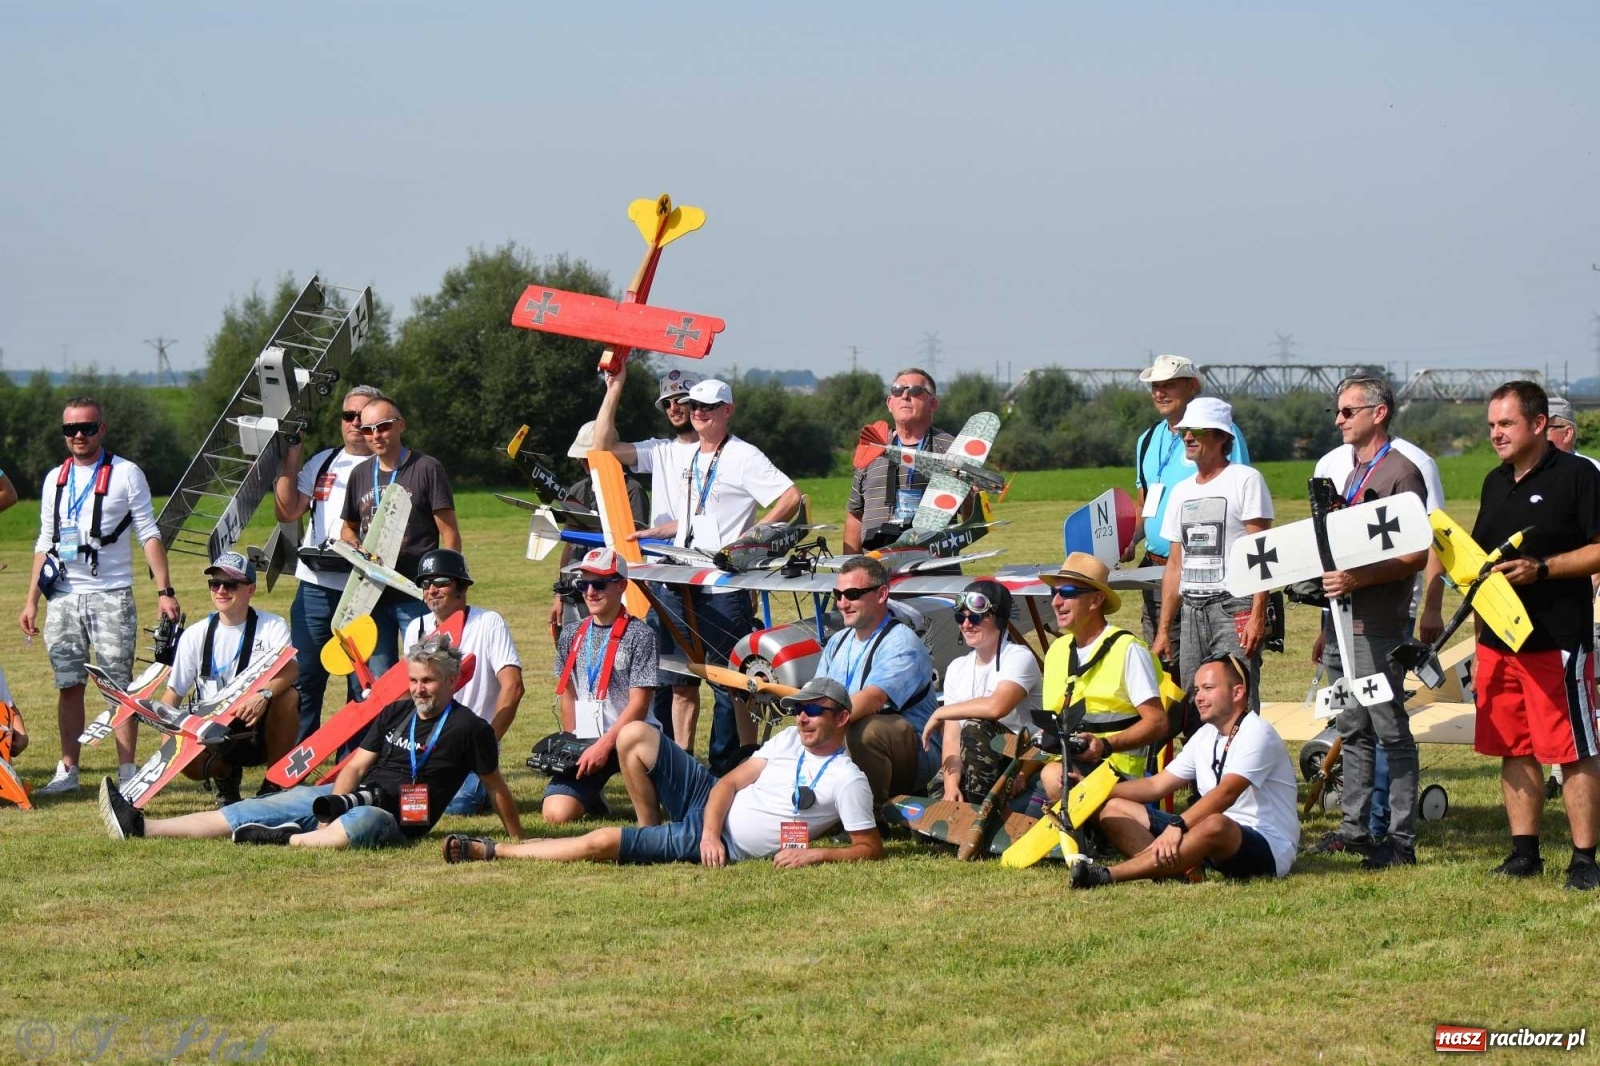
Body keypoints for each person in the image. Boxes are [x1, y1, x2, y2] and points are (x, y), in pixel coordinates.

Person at [99, 634, 523, 849]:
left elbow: (495, 787)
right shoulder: (397, 712)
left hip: (397, 821)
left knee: (362, 824)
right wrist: (332, 806)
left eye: (428, 681)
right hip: (348, 796)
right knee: (260, 805)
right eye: (413, 680)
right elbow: (356, 766)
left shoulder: (470, 729)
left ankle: (285, 840)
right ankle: (143, 826)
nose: (418, 689)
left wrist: (516, 840)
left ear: (451, 681)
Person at [593, 364, 800, 773]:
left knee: (732, 683)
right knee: (675, 679)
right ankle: (679, 766)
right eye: (696, 406)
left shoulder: (742, 454)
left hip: (723, 586)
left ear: (728, 411)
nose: (698, 412)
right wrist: (614, 388)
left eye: (709, 406)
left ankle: (734, 765)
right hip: (677, 581)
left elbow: (790, 495)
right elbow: (602, 448)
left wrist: (751, 539)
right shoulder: (680, 452)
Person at [441, 676, 882, 868]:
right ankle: (648, 831)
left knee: (600, 843)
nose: (801, 718)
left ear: (842, 719)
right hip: (709, 805)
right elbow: (728, 782)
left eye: (813, 712)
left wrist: (815, 853)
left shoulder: (848, 780)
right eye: (797, 710)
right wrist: (709, 830)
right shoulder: (787, 740)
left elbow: (869, 848)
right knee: (634, 733)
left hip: (722, 840)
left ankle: (492, 852)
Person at [1471, 381, 1600, 890]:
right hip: (1499, 640)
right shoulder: (1492, 481)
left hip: (1558, 638)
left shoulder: (1577, 476)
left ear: (1540, 424)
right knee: (1514, 745)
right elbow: (1480, 558)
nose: (1495, 434)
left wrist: (1543, 569)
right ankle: (1524, 853)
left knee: (1571, 748)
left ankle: (1585, 858)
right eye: (1491, 426)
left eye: (1505, 424)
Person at [20, 396, 181, 795]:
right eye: (70, 429)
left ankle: (128, 772)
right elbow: (45, 541)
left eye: (87, 428)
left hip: (111, 593)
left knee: (117, 686)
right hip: (63, 596)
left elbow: (149, 533)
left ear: (101, 430)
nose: (78, 435)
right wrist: (31, 600)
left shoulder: (127, 474)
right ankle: (68, 771)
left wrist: (164, 591)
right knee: (68, 683)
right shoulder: (54, 478)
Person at [1303, 379, 1429, 868]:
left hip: (1377, 625)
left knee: (1389, 729)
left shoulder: (1401, 472)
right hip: (1341, 621)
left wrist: (1357, 579)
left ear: (1379, 413)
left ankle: (1400, 839)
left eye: (1348, 410)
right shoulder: (1350, 470)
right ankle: (1353, 830)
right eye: (1338, 411)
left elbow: (1416, 553)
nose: (1339, 420)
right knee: (1351, 726)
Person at [1069, 655, 1300, 888]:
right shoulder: (1205, 734)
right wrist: (1094, 792)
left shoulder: (1257, 732)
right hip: (1206, 837)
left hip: (1267, 845)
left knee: (1215, 823)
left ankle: (1105, 875)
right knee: (1114, 808)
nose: (1199, 697)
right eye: (1197, 689)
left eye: (1208, 688)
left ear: (1237, 692)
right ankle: (1172, 869)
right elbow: (1155, 785)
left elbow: (1226, 794)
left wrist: (1178, 825)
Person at [274, 384, 383, 741]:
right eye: (348, 415)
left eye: (362, 417)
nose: (354, 423)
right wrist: (292, 455)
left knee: (363, 688)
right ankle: (296, 768)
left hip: (365, 592)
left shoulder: (388, 465)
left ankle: (349, 772)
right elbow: (287, 511)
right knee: (304, 681)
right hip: (315, 588)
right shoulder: (322, 462)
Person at [1129, 355, 1250, 670]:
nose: (1159, 392)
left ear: (1192, 386)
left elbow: (1238, 500)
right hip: (1155, 569)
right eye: (1155, 386)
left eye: (1168, 384)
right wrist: (1128, 541)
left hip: (1205, 570)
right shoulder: (1145, 441)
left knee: (1216, 670)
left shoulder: (1220, 434)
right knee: (1163, 668)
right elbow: (1145, 505)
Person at [1151, 396, 1274, 705]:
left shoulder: (1246, 480)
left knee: (1237, 699)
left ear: (1222, 437)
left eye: (1197, 431)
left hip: (1233, 607)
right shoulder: (1181, 492)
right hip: (1191, 612)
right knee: (1197, 703)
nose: (1188, 437)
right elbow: (1175, 566)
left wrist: (1258, 614)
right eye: (1184, 431)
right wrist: (1164, 629)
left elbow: (1262, 553)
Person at [159, 551, 300, 806]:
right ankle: (226, 776)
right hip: (213, 731)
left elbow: (291, 670)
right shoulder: (194, 635)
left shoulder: (272, 626)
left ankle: (274, 782)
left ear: (251, 590)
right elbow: (173, 694)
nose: (221, 590)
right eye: (215, 583)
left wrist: (264, 695)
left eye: (231, 584)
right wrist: (166, 743)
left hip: (257, 727)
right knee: (180, 751)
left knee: (288, 697)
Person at [1035, 552, 1170, 806]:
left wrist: (1105, 745)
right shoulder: (1057, 651)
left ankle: (1086, 841)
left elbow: (1159, 723)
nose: (1056, 601)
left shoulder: (1128, 649)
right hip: (1064, 764)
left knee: (1052, 777)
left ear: (1096, 600)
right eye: (1054, 592)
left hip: (1118, 774)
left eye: (1068, 593)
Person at [339, 397, 460, 678]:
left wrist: (450, 585)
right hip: (372, 594)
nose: (376, 435)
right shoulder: (359, 474)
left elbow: (450, 532)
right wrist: (353, 543)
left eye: (383, 426)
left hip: (415, 592)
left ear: (400, 425)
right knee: (380, 679)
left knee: (423, 672)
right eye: (368, 430)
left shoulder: (427, 468)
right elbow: (348, 528)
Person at [543, 548, 662, 823]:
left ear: (622, 585)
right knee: (555, 815)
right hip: (587, 738)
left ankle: (651, 802)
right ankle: (592, 797)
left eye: (599, 584)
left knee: (662, 811)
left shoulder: (641, 635)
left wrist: (604, 746)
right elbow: (568, 692)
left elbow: (640, 705)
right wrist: (573, 744)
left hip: (630, 735)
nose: (590, 592)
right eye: (583, 584)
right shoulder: (571, 633)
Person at [402, 549, 523, 815]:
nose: (432, 589)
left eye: (442, 582)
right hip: (425, 746)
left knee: (455, 807)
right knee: (399, 802)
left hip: (469, 745)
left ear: (462, 587)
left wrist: (485, 744)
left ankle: (480, 790)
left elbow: (513, 687)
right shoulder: (415, 628)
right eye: (426, 583)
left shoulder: (488, 623)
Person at [816, 556, 939, 806]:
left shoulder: (902, 643)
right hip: (847, 734)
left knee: (866, 731)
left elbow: (872, 699)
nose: (842, 603)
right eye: (837, 594)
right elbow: (817, 694)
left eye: (852, 594)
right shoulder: (837, 642)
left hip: (913, 753)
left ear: (882, 594)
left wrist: (819, 722)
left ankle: (871, 813)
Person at [919, 579, 1041, 802]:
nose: (966, 625)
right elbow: (952, 736)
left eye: (975, 617)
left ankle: (979, 811)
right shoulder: (957, 668)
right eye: (960, 617)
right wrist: (950, 785)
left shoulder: (1018, 657)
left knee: (976, 727)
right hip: (971, 758)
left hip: (1018, 759)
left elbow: (996, 707)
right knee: (931, 813)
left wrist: (940, 712)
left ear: (998, 619)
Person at [546, 420, 650, 637]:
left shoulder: (631, 490)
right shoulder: (578, 489)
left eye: (589, 459)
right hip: (575, 591)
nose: (585, 465)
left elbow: (634, 549)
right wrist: (559, 595)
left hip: (609, 592)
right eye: (582, 460)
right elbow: (569, 546)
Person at [845, 368, 957, 554]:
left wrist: (972, 497)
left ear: (933, 403)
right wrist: (852, 569)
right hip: (876, 570)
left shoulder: (950, 448)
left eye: (915, 391)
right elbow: (855, 514)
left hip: (934, 570)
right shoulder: (872, 447)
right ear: (890, 402)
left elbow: (971, 515)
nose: (905, 395)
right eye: (897, 390)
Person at [1545, 396, 1600, 470]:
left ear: (1567, 434)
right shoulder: (1528, 469)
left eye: (1544, 428)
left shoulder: (1590, 470)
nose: (1536, 433)